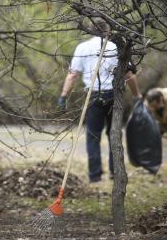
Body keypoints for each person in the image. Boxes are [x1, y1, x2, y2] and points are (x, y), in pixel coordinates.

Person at [57, 22, 142, 183]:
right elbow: (129, 74)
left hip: (93, 95)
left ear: (91, 30)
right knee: (114, 134)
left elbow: (72, 75)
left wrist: (63, 95)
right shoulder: (118, 47)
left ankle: (95, 176)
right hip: (114, 95)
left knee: (93, 137)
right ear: (108, 31)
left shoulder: (83, 47)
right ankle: (115, 172)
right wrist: (137, 95)